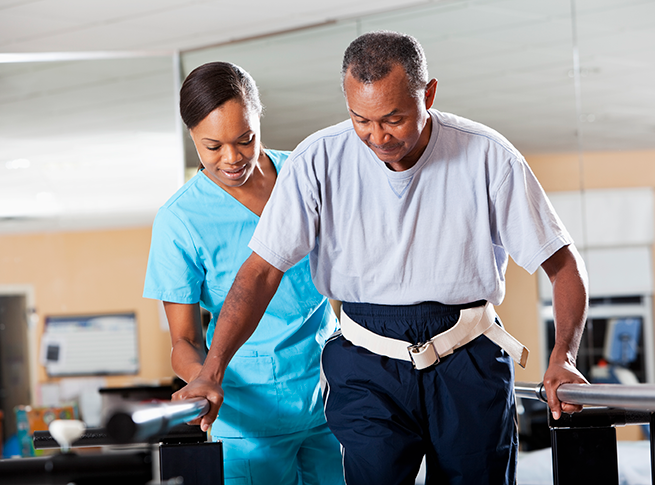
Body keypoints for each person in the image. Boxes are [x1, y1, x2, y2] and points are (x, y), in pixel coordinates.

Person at [175, 32, 590, 485]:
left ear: (428, 94)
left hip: (467, 355)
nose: (378, 136)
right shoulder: (317, 160)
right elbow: (260, 272)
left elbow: (563, 264)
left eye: (394, 118)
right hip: (365, 362)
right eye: (361, 119)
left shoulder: (488, 156)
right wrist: (210, 372)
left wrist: (564, 355)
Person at [143, 61, 343, 485]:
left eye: (245, 139)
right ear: (192, 137)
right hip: (248, 416)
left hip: (330, 398)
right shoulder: (180, 220)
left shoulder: (303, 175)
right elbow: (183, 340)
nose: (232, 159)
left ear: (258, 120)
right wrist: (202, 378)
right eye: (212, 146)